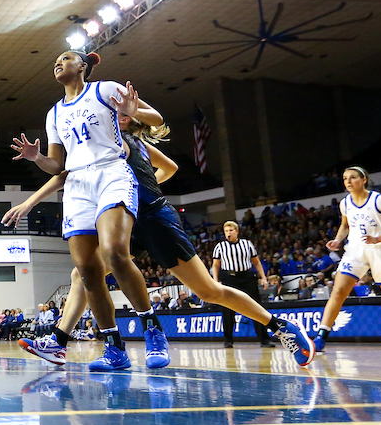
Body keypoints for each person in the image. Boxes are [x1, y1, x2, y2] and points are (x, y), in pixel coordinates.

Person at [22, 114, 314, 367]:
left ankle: (281, 326)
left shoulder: (127, 142)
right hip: (129, 219)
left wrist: (145, 182)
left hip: (155, 218)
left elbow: (169, 167)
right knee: (83, 273)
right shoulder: (109, 145)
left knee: (209, 291)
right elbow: (68, 174)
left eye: (120, 114)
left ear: (129, 123)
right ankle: (59, 341)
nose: (111, 115)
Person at [1, 50, 164, 372]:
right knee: (88, 272)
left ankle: (153, 330)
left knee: (116, 252)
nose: (58, 63)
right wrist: (37, 158)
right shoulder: (54, 113)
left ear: (83, 67)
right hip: (77, 185)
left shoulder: (105, 90)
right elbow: (56, 166)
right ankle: (114, 348)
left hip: (111, 173)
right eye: (55, 61)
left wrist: (136, 113)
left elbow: (157, 119)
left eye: (65, 58)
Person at [316, 167, 381, 353]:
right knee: (338, 291)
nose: (348, 181)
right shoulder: (345, 203)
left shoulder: (379, 200)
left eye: (353, 177)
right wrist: (338, 240)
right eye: (345, 178)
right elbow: (345, 226)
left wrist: (379, 238)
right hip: (355, 250)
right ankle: (321, 337)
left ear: (363, 180)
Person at [212, 221, 274, 348]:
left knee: (256, 307)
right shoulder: (220, 246)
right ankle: (228, 340)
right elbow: (216, 265)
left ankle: (264, 339)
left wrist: (263, 277)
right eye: (226, 231)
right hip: (229, 278)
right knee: (228, 310)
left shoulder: (247, 244)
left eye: (231, 230)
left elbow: (256, 262)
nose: (228, 233)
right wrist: (215, 280)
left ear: (237, 231)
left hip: (247, 277)